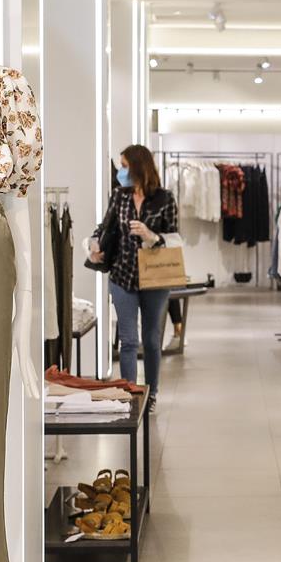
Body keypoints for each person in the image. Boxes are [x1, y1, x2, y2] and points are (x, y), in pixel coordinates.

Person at [87, 144, 178, 392]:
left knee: (150, 340)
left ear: (139, 167)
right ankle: (130, 395)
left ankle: (151, 393)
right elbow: (105, 226)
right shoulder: (119, 196)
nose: (121, 172)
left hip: (155, 277)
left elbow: (175, 239)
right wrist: (93, 246)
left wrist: (151, 236)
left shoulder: (164, 198)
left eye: (125, 166)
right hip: (122, 275)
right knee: (128, 340)